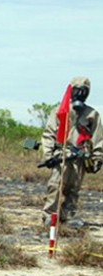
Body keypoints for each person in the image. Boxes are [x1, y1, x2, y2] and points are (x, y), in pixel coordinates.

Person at [41, 77, 103, 226]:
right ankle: (49, 216)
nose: (81, 93)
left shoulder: (92, 115)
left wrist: (97, 158)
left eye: (84, 91)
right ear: (71, 90)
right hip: (61, 156)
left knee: (73, 190)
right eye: (78, 90)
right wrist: (48, 155)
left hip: (80, 158)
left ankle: (68, 216)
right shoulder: (60, 111)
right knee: (55, 187)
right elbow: (49, 134)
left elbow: (98, 138)